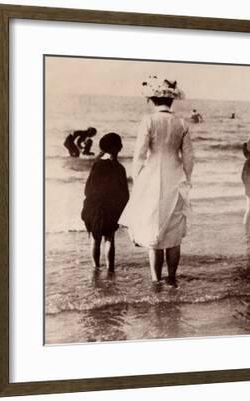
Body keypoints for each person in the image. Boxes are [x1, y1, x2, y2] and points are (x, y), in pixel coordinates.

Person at [119, 76, 194, 285]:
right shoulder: (181, 122)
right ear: (172, 101)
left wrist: (137, 179)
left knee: (154, 227)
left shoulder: (148, 121)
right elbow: (189, 157)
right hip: (175, 177)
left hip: (152, 177)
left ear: (152, 100)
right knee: (173, 231)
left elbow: (140, 154)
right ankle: (171, 278)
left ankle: (155, 279)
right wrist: (187, 178)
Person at [81, 133, 129, 271]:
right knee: (109, 238)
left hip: (93, 206)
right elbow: (124, 194)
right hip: (111, 208)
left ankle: (96, 268)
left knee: (94, 238)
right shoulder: (120, 168)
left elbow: (88, 189)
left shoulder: (97, 165)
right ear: (119, 148)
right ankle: (110, 269)